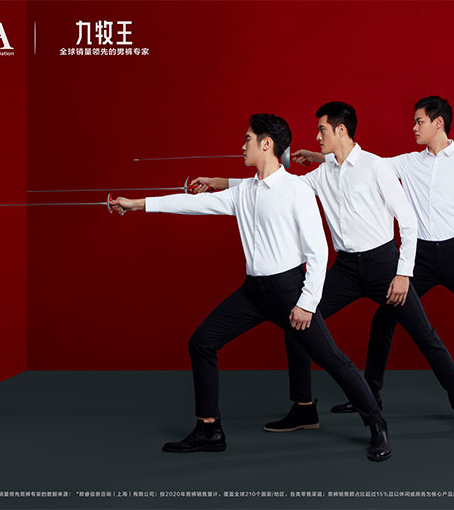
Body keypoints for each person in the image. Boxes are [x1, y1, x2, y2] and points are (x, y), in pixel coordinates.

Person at [191, 102, 454, 441]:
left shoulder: (375, 167)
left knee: (425, 337)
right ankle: (303, 408)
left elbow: (408, 221)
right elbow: (273, 185)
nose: (317, 137)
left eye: (322, 130)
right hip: (345, 269)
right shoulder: (321, 174)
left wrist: (403, 274)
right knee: (296, 322)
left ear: (341, 130)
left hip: (385, 267)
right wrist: (217, 182)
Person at [109, 114, 392, 461]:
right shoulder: (243, 191)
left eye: (247, 139)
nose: (242, 145)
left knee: (333, 360)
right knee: (202, 342)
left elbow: (318, 253)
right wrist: (136, 204)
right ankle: (209, 429)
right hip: (253, 293)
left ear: (266, 144)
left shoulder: (297, 191)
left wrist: (307, 303)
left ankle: (377, 425)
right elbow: (192, 204)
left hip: (289, 293)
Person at [291, 96, 454, 422]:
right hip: (419, 259)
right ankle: (370, 392)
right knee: (384, 319)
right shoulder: (407, 162)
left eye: (419, 121)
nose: (414, 127)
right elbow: (362, 165)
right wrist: (321, 156)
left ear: (438, 123)